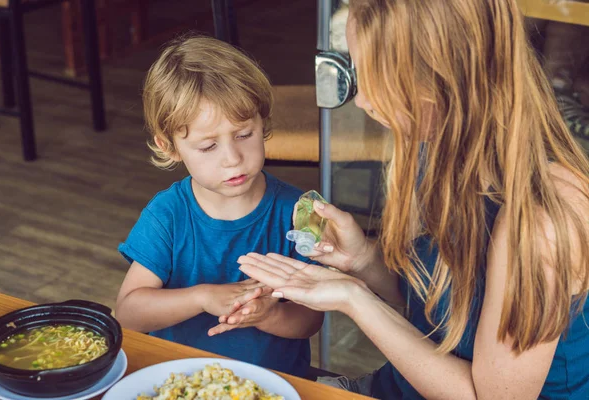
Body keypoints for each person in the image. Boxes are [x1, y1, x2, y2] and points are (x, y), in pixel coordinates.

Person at [235, 0, 589, 398]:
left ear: (438, 79)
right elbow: (443, 314)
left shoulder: (546, 218)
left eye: (375, 76)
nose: (363, 100)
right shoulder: (437, 148)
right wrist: (364, 262)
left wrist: (353, 299)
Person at [114, 35, 323, 378]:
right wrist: (201, 297)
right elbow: (128, 314)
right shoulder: (167, 215)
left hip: (275, 385)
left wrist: (269, 315)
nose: (233, 159)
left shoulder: (303, 213)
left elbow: (310, 320)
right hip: (179, 382)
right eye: (208, 146)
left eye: (244, 135)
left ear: (263, 123)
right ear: (170, 147)